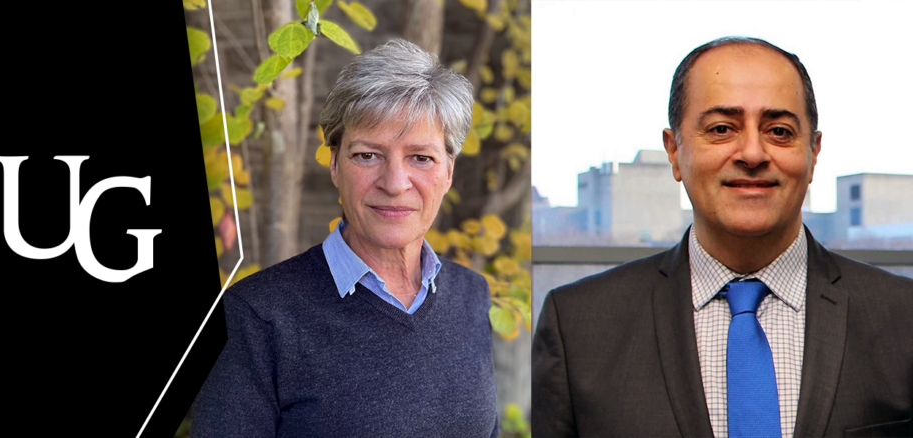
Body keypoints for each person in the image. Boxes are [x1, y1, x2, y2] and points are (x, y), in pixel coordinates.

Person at [532, 36, 912, 437]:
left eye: (779, 131)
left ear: (814, 153)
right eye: (721, 128)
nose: (752, 153)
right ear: (674, 150)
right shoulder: (578, 327)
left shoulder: (903, 319)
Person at [192, 39, 499, 437]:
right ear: (335, 164)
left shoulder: (472, 296)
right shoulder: (254, 317)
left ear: (448, 171)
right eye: (368, 155)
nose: (394, 183)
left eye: (421, 158)